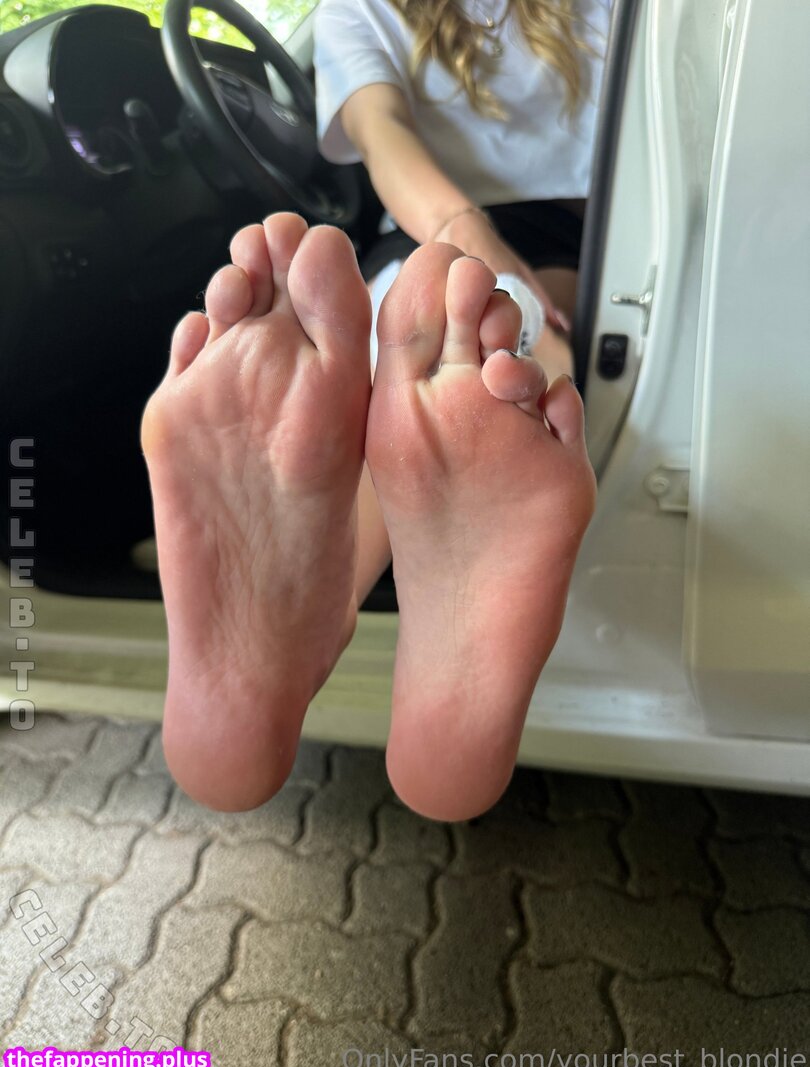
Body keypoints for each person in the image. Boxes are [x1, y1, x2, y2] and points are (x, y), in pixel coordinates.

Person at [140, 0, 604, 823]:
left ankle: (323, 598)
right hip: (472, 238)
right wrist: (477, 245)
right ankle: (335, 590)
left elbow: (379, 131)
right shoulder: (363, 8)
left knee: (418, 370)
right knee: (483, 364)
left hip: (479, 245)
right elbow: (381, 132)